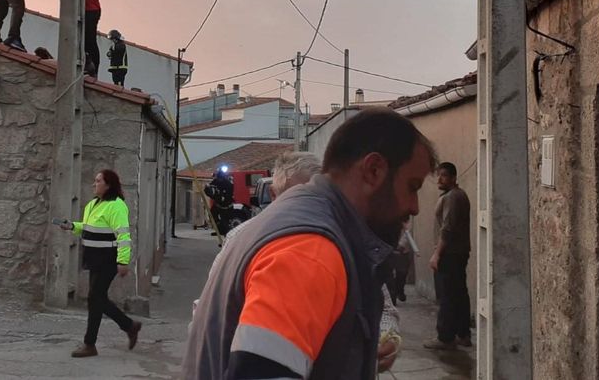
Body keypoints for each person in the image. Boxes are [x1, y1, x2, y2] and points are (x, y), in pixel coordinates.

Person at [184, 108, 436, 379]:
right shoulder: (309, 250)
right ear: (373, 170)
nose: (415, 207)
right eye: (412, 187)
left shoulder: (306, 224)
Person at [194, 151, 405, 374]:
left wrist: (388, 340)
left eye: (316, 196)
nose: (308, 207)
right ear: (275, 196)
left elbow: (384, 309)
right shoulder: (241, 239)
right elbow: (207, 311)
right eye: (297, 196)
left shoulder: (351, 241)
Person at [59, 169, 142, 358]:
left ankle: (92, 342)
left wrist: (123, 261)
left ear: (108, 184)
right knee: (96, 299)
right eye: (95, 180)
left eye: (98, 181)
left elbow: (124, 236)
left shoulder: (116, 206)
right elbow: (89, 229)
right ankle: (128, 327)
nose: (94, 184)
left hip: (108, 259)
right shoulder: (93, 204)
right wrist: (72, 226)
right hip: (94, 259)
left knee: (95, 298)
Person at [424, 162, 472, 350]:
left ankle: (445, 336)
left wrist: (437, 254)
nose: (439, 179)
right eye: (439, 175)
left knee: (447, 295)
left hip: (450, 254)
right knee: (459, 293)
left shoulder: (452, 197)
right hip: (457, 253)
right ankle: (463, 334)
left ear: (453, 178)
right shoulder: (456, 195)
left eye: (443, 176)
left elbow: (447, 228)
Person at [386, 218, 414, 303]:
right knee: (389, 274)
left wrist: (401, 245)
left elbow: (408, 231)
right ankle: (392, 296)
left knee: (402, 273)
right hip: (389, 248)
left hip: (402, 251)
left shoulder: (404, 215)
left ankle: (399, 290)